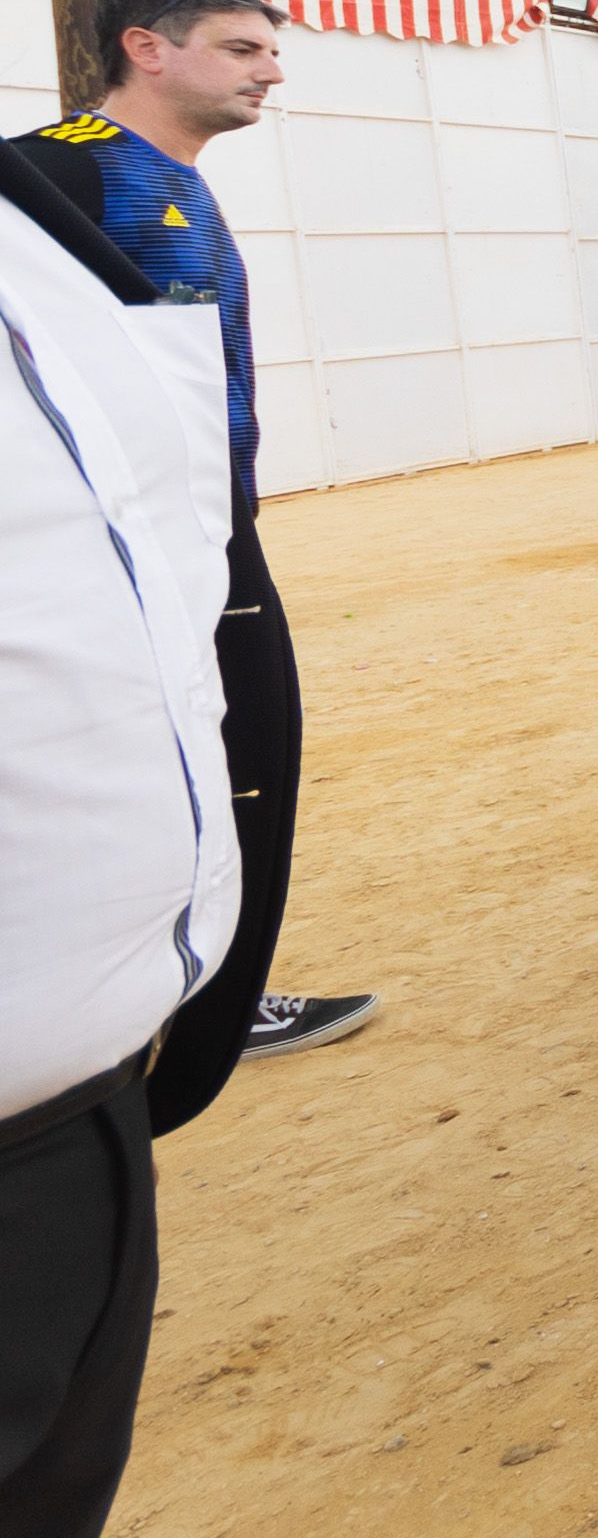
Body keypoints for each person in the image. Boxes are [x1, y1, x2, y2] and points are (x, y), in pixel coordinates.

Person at [17, 0, 377, 1105]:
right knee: (195, 762)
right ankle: (165, 1016)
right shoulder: (61, 168)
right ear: (146, 47)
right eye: (241, 48)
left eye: (270, 49)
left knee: (238, 758)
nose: (272, 71)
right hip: (125, 553)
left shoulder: (168, 176)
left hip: (209, 530)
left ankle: (201, 991)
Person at [1, 135, 241, 1537]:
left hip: (88, 1112)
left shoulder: (42, 217)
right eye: (240, 41)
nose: (272, 65)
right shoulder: (89, 180)